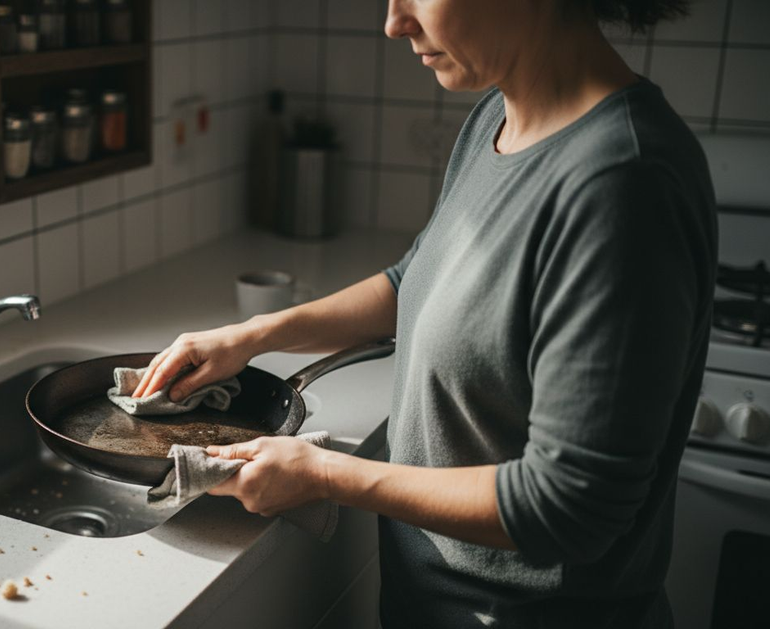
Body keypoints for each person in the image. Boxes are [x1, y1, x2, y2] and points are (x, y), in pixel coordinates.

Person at [133, 0, 716, 626]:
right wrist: (254, 335)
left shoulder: (624, 182)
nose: (395, 22)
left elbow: (568, 508)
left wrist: (325, 474)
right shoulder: (500, 115)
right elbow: (416, 280)